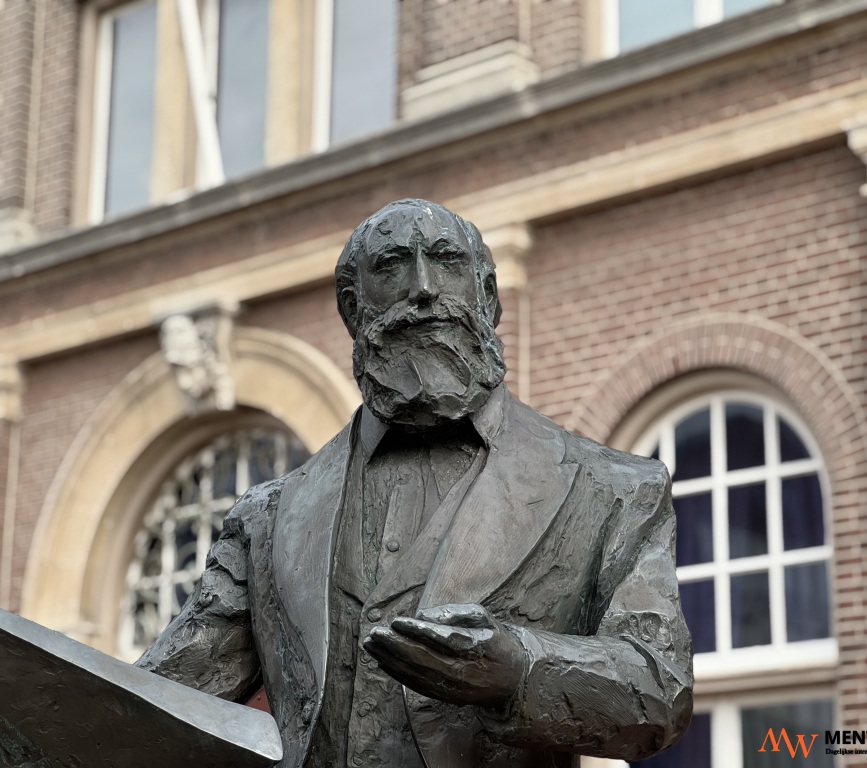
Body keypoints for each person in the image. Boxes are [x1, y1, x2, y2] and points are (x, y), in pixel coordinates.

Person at [137, 199, 693, 768]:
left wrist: (518, 669)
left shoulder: (612, 489)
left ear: (490, 298)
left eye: (446, 260)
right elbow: (160, 698)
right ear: (354, 310)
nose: (423, 288)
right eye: (393, 265)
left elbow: (661, 687)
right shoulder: (268, 517)